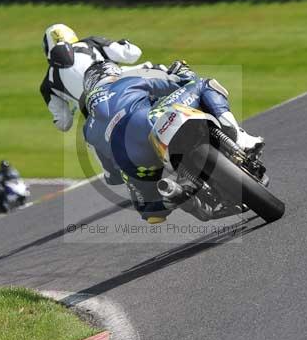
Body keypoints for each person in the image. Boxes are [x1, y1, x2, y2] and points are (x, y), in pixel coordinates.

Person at [82, 60, 263, 224]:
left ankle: (175, 195)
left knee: (151, 212)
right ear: (112, 72)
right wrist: (184, 72)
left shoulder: (88, 130)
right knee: (204, 84)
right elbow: (175, 83)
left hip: (133, 161)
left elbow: (112, 176)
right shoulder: (125, 81)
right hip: (148, 122)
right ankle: (240, 138)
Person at [40, 23, 144, 133]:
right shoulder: (91, 43)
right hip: (124, 95)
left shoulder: (47, 85)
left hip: (99, 127)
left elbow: (64, 124)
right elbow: (133, 55)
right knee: (155, 70)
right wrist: (125, 43)